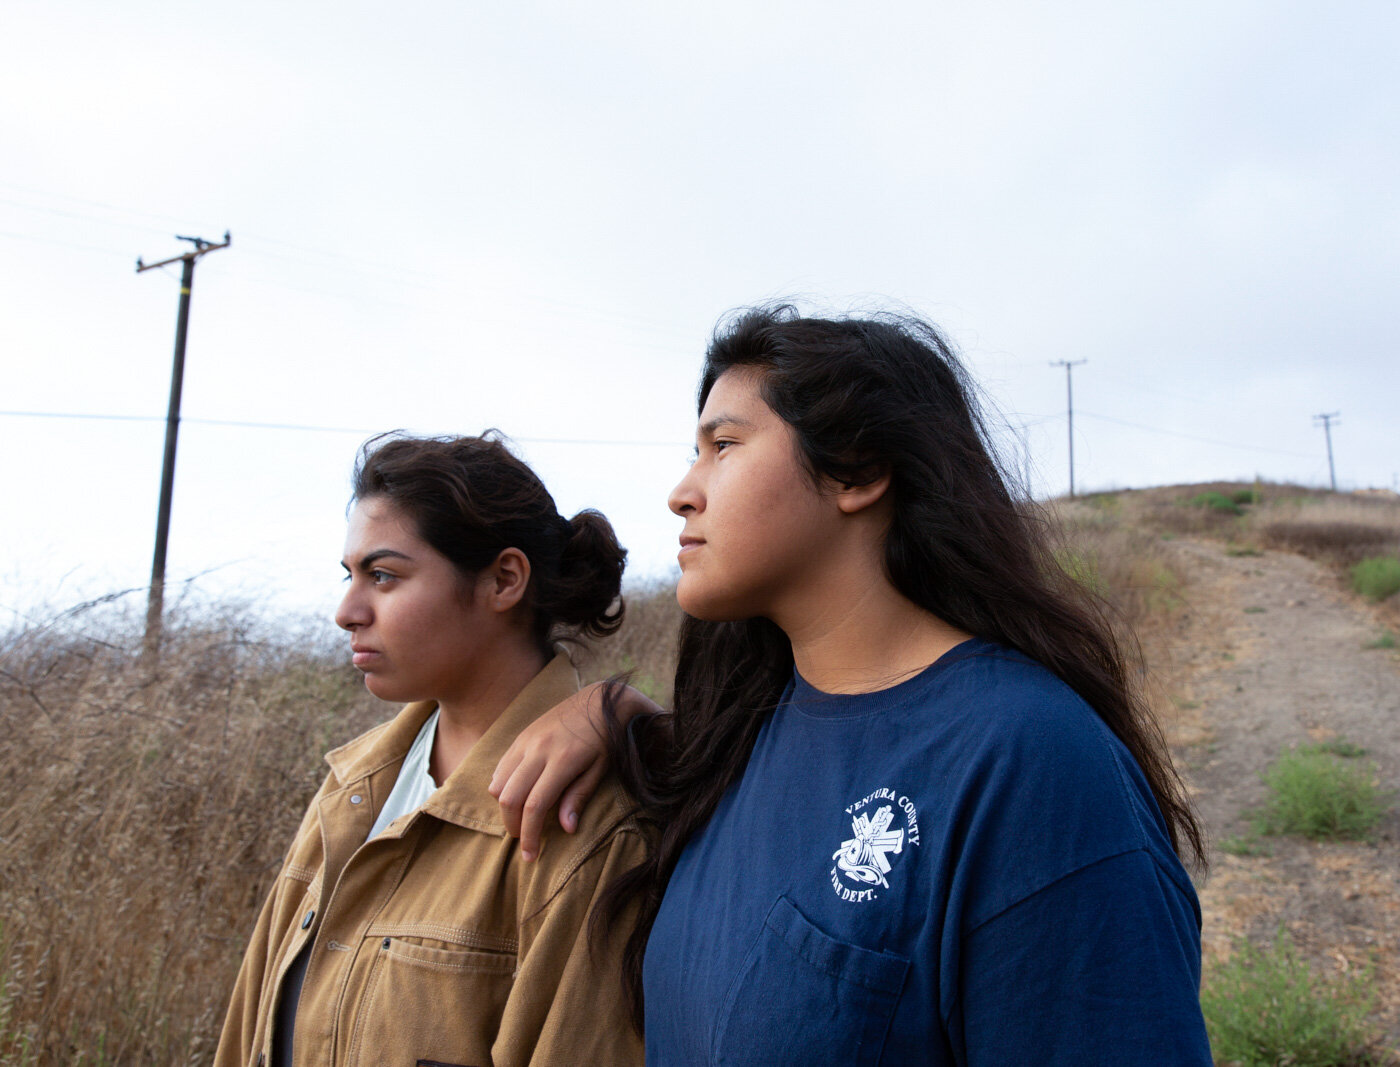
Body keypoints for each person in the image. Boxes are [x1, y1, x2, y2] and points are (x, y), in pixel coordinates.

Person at [491, 306, 1213, 1064]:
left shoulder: (1031, 764)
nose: (681, 491)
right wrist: (611, 711)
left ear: (859, 471)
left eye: (724, 445)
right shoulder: (736, 739)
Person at [215, 432, 645, 1067]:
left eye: (384, 576)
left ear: (504, 579)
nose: (347, 611)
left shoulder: (591, 821)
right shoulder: (349, 792)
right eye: (350, 575)